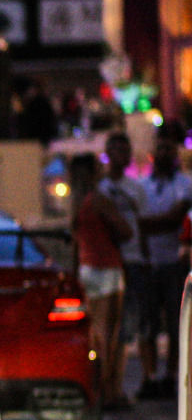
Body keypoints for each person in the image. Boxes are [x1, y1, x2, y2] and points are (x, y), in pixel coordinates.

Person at [69, 153, 133, 410]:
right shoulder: (98, 199)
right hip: (107, 267)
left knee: (95, 334)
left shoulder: (76, 202)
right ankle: (107, 392)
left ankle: (96, 388)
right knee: (108, 334)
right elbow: (126, 231)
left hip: (87, 268)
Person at [134, 124, 192, 399]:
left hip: (173, 263)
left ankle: (170, 376)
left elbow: (175, 219)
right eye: (160, 147)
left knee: (174, 322)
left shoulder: (185, 184)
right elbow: (140, 223)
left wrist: (144, 225)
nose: (164, 152)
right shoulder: (141, 185)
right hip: (146, 262)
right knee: (146, 324)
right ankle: (150, 377)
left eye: (169, 147)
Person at [95, 131, 146, 404]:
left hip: (134, 261)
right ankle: (106, 387)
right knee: (106, 329)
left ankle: (117, 385)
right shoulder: (100, 189)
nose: (118, 156)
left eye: (123, 151)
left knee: (125, 328)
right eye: (113, 150)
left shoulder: (136, 187)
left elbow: (143, 226)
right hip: (109, 263)